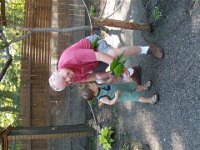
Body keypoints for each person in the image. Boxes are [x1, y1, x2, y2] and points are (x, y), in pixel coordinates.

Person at [49, 34, 164, 91]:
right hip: (92, 62)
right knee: (102, 80)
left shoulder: (72, 58)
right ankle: (133, 72)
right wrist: (111, 74)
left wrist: (119, 67)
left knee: (114, 55)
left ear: (59, 70)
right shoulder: (71, 78)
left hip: (94, 47)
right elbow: (90, 77)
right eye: (67, 83)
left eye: (64, 77)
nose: (69, 79)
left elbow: (99, 55)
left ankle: (148, 49)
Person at [81, 79, 158, 105]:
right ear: (93, 93)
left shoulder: (98, 86)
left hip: (121, 87)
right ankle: (150, 100)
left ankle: (144, 87)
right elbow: (110, 102)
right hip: (122, 95)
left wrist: (111, 78)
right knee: (136, 97)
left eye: (91, 83)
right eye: (92, 86)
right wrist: (116, 96)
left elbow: (107, 84)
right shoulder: (101, 98)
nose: (93, 83)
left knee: (133, 86)